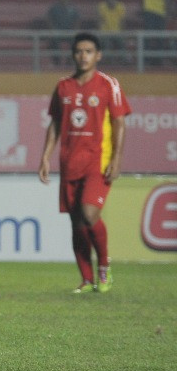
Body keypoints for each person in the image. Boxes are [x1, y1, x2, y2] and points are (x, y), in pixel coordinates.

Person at [38, 33, 131, 293]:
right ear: (73, 55)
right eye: (79, 51)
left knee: (90, 214)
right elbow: (56, 123)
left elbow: (119, 122)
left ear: (98, 55)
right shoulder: (63, 86)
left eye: (89, 51)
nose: (83, 55)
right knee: (77, 222)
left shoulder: (108, 85)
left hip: (97, 162)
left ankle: (104, 267)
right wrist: (45, 156)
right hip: (69, 163)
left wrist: (116, 158)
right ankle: (87, 280)